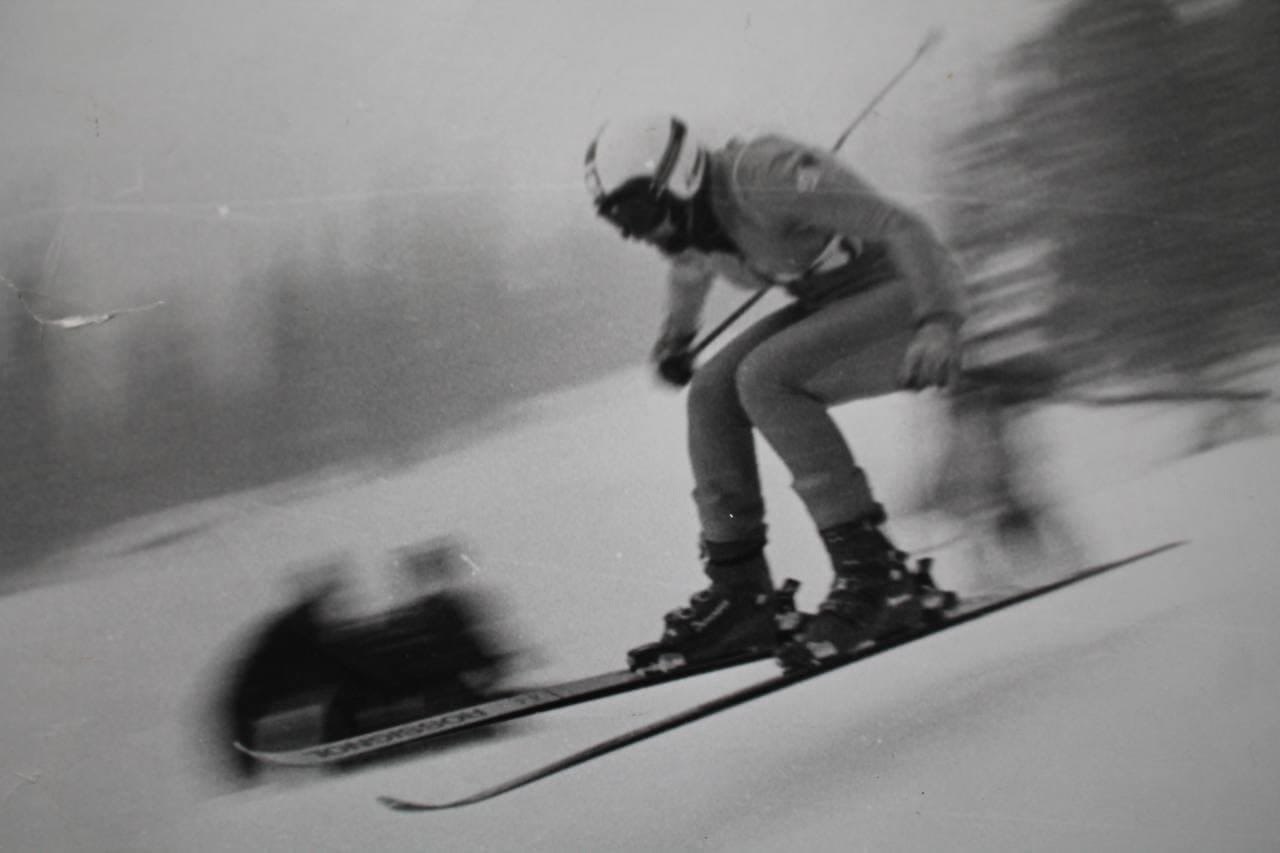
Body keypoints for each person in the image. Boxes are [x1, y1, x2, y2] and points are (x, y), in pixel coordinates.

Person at [584, 115, 967, 669]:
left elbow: (901, 225)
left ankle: (876, 574)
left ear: (679, 176)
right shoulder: (689, 225)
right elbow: (689, 272)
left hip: (913, 297)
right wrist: (676, 341)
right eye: (618, 221)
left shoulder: (767, 177)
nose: (636, 233)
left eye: (638, 213)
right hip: (836, 303)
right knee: (712, 392)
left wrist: (940, 322)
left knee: (765, 377)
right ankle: (742, 592)